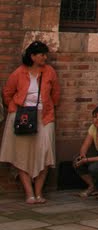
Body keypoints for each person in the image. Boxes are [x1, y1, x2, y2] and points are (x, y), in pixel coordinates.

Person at [0, 40, 60, 204]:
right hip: (23, 116)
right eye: (42, 54)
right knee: (22, 153)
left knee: (45, 153)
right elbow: (8, 93)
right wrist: (14, 108)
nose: (45, 57)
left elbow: (56, 94)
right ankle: (29, 193)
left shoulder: (49, 72)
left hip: (44, 116)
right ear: (32, 56)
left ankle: (39, 192)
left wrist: (46, 107)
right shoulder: (19, 72)